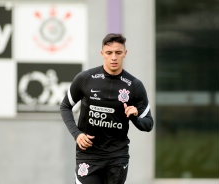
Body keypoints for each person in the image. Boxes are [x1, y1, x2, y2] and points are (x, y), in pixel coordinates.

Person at [60, 33, 154, 184]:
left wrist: (135, 117)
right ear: (102, 54)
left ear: (125, 53)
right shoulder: (85, 79)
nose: (114, 57)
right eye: (109, 53)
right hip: (88, 155)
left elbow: (149, 124)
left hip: (117, 157)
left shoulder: (134, 85)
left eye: (118, 52)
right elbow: (65, 106)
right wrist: (77, 134)